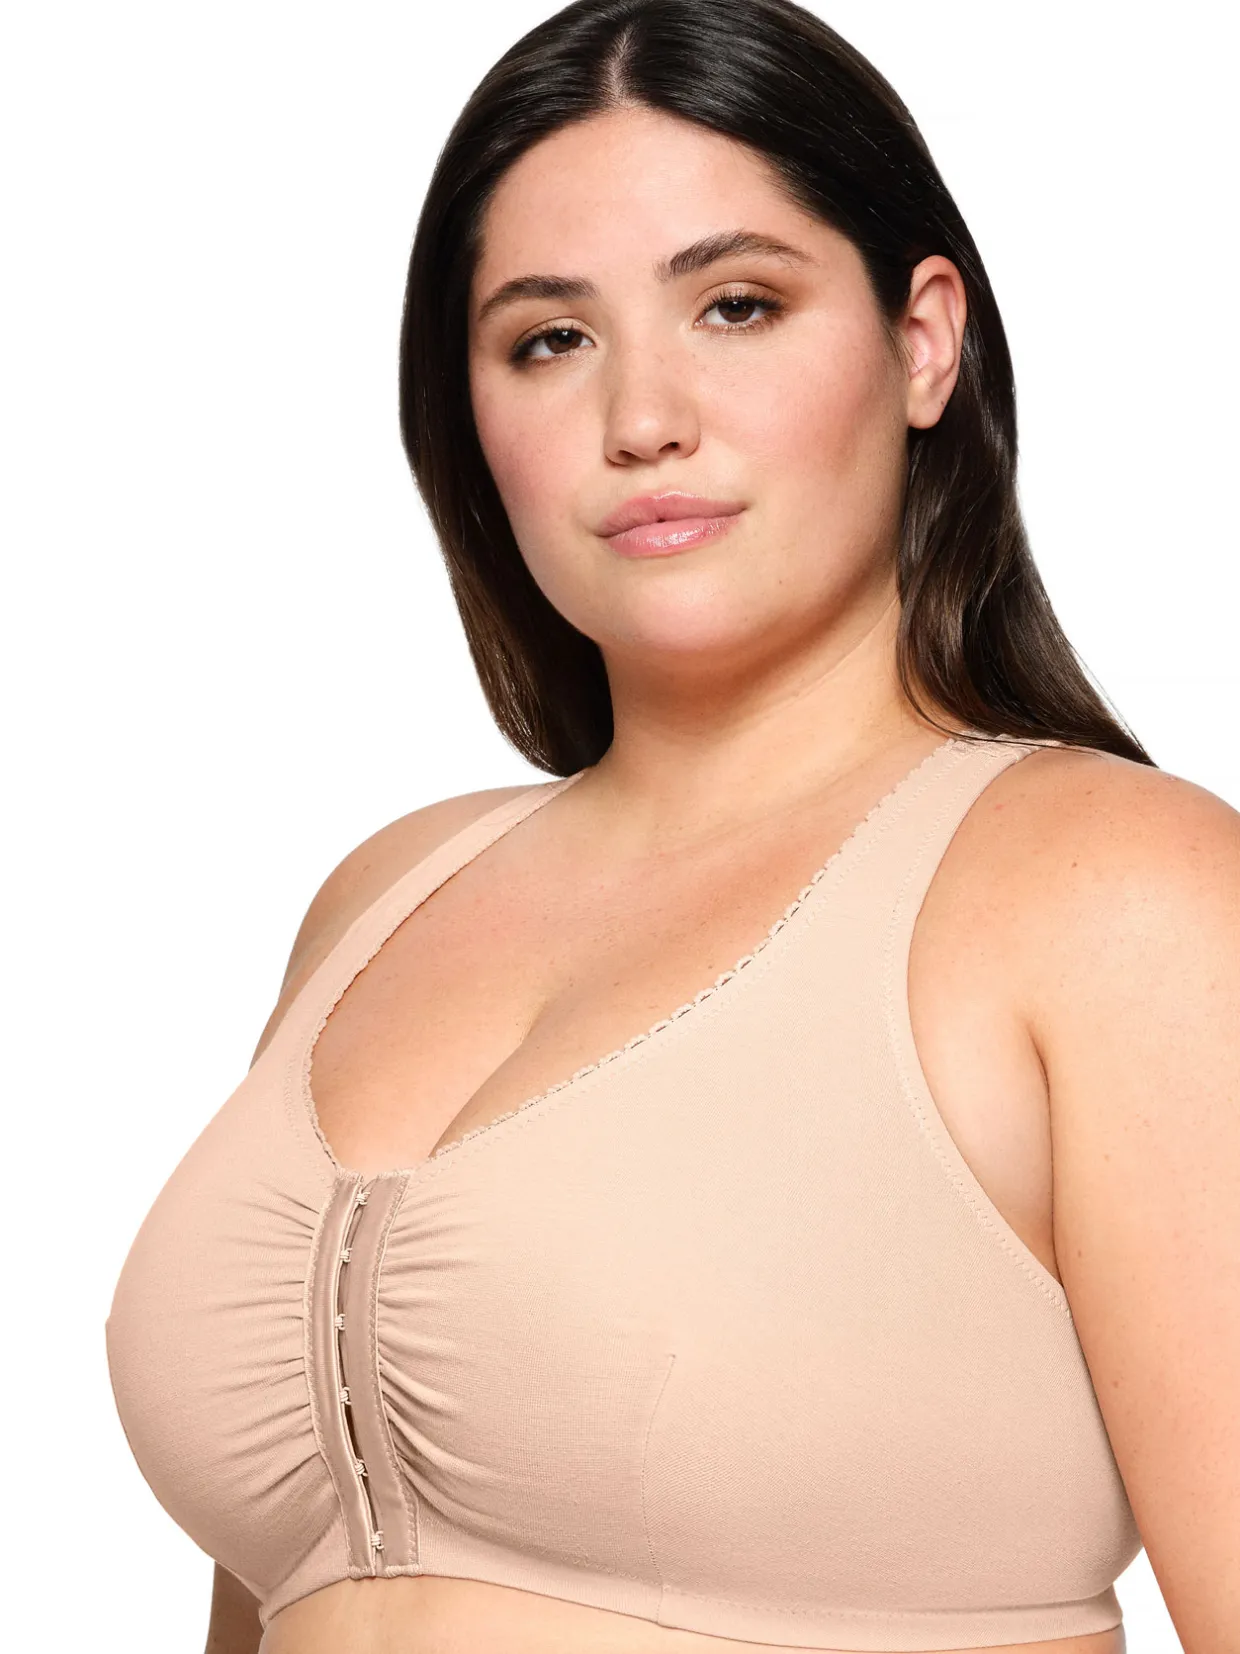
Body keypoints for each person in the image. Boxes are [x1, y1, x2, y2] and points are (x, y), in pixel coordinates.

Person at [105, 2, 1240, 1652]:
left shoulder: (1116, 895)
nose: (643, 416)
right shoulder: (380, 898)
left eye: (737, 305)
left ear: (925, 341)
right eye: (548, 338)